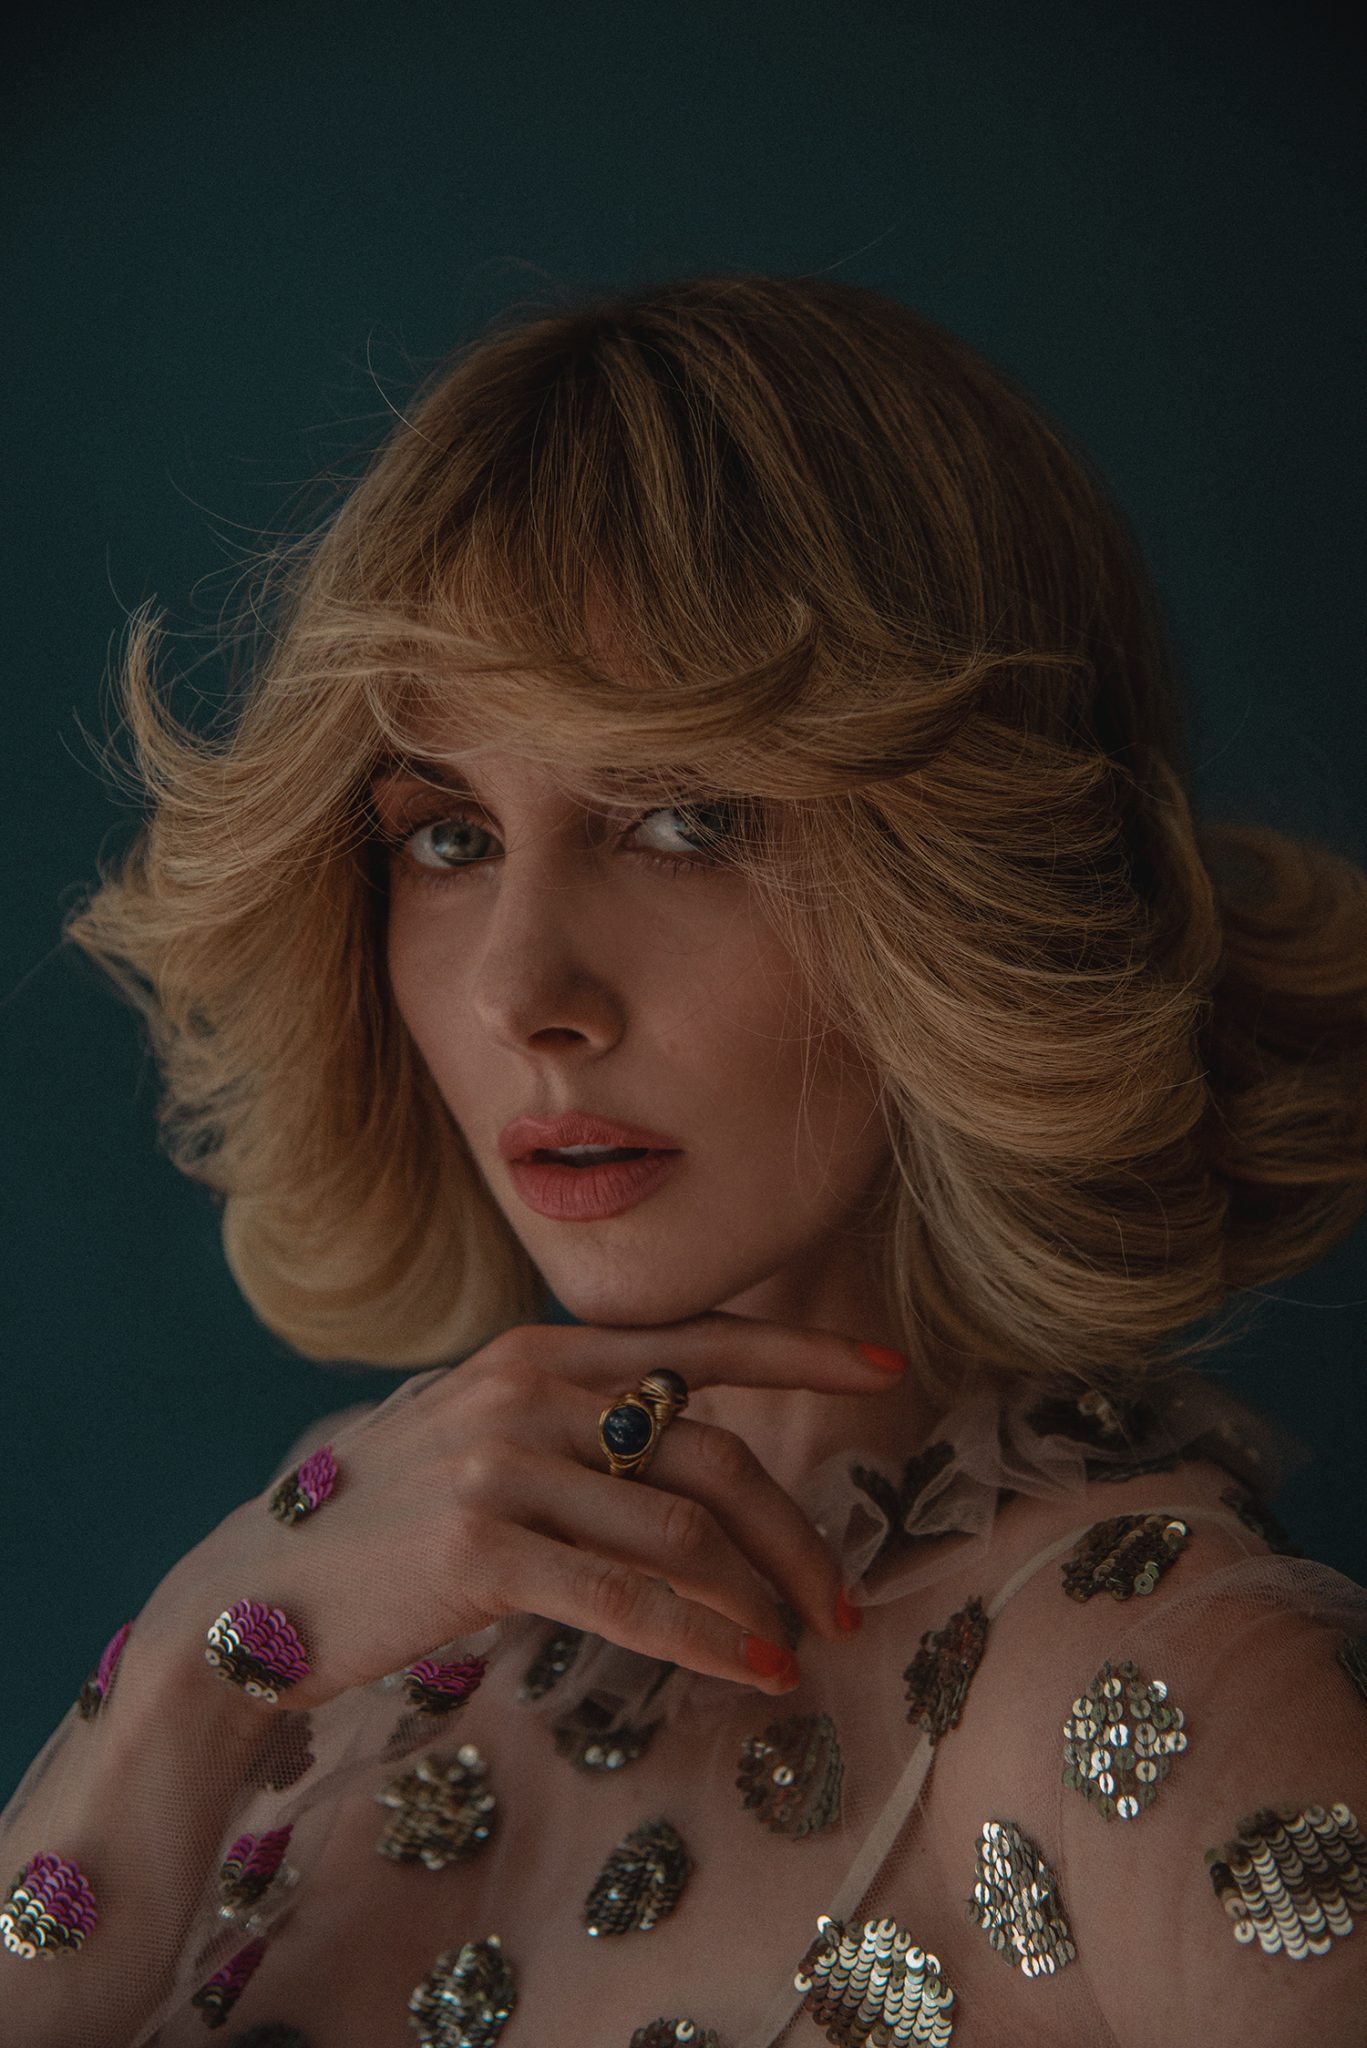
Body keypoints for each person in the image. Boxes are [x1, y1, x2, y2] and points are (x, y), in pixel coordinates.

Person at [1, 273, 1364, 2048]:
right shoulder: (366, 1578)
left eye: (683, 819)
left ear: (975, 885)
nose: (522, 993)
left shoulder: (1141, 1677)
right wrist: (201, 1670)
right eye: (448, 835)